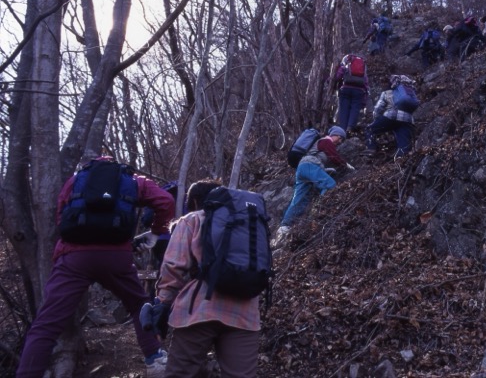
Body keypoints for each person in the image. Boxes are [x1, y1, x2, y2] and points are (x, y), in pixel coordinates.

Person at [16, 157, 175, 378]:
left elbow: (61, 215)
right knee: (140, 305)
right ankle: (155, 360)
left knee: (47, 323)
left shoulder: (76, 180)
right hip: (116, 255)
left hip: (74, 256)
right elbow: (166, 201)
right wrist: (157, 231)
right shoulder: (134, 181)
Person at [154, 179, 262, 378]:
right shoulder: (250, 223)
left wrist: (162, 303)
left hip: (199, 310)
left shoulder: (192, 219)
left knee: (180, 373)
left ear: (194, 202)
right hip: (245, 313)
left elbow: (173, 266)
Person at [277, 126, 354, 238]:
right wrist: (346, 165)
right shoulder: (326, 141)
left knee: (300, 199)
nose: (340, 142)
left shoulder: (320, 143)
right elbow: (334, 157)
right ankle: (320, 212)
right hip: (309, 166)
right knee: (330, 185)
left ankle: (284, 226)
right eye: (340, 138)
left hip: (302, 168)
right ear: (335, 135)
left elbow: (316, 158)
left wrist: (326, 170)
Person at [365, 75, 417, 158]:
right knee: (404, 146)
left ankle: (371, 150)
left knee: (370, 129)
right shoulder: (410, 93)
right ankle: (401, 161)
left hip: (392, 116)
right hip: (408, 119)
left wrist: (376, 120)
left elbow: (378, 109)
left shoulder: (387, 93)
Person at [332, 54, 370, 135]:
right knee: (355, 109)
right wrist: (365, 97)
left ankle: (342, 130)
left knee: (343, 109)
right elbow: (366, 82)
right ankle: (350, 128)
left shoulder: (346, 64)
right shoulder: (362, 68)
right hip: (359, 90)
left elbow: (338, 76)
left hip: (345, 89)